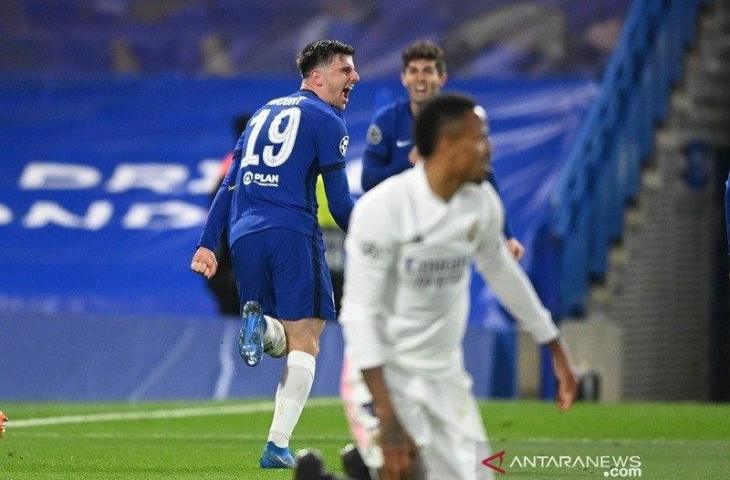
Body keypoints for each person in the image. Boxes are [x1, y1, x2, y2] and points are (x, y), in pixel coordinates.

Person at [339, 93, 577, 480]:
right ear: (448, 146)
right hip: (383, 376)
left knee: (480, 475)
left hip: (445, 378)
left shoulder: (481, 203)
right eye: (480, 136)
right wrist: (387, 413)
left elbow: (502, 273)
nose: (489, 148)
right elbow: (359, 315)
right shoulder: (383, 209)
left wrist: (552, 343)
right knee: (405, 471)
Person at [190, 39, 359, 469]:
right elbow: (339, 206)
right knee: (309, 337)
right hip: (291, 231)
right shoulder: (328, 121)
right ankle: (276, 446)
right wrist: (376, 237)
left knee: (287, 338)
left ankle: (261, 325)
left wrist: (210, 243)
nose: (354, 78)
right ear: (316, 76)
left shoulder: (263, 112)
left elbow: (229, 186)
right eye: (345, 70)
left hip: (244, 235)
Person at [360, 40, 524, 259]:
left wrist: (507, 236)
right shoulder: (387, 121)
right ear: (404, 78)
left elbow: (484, 177)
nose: (420, 78)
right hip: (397, 233)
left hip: (444, 234)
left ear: (442, 78)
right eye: (413, 71)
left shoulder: (459, 123)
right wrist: (409, 162)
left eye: (428, 71)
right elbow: (369, 180)